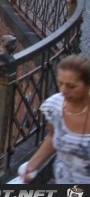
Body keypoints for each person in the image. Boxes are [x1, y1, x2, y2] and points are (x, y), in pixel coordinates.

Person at [21, 54, 90, 184]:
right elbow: (53, 137)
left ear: (87, 86)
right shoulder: (54, 106)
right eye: (60, 83)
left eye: (71, 86)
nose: (63, 90)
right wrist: (32, 165)